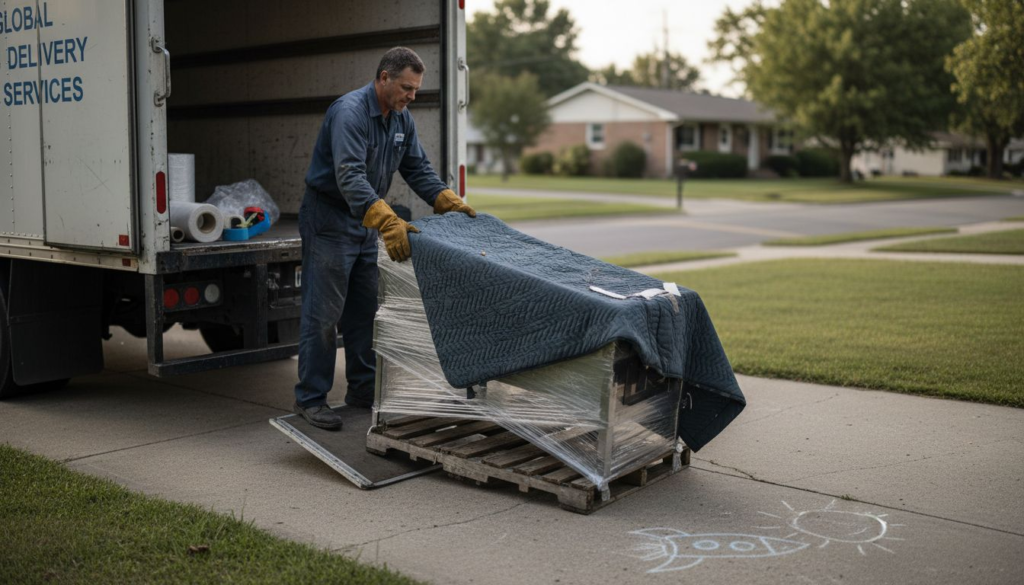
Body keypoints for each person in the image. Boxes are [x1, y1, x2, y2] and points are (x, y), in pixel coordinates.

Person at [294, 47, 476, 430]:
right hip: (330, 219)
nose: (412, 96)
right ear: (383, 78)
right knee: (324, 314)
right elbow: (349, 177)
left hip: (366, 223)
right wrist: (388, 221)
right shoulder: (350, 113)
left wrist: (448, 201)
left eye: (416, 90)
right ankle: (310, 399)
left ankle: (362, 390)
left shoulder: (401, 120)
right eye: (406, 88)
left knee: (364, 314)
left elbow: (418, 169)